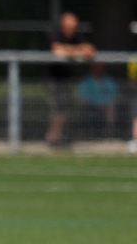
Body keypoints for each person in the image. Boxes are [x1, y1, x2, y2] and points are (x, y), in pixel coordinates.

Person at [46, 11, 96, 147]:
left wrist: (68, 51)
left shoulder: (77, 36)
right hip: (52, 78)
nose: (72, 29)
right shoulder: (55, 35)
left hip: (65, 78)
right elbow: (57, 51)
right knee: (58, 107)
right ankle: (53, 136)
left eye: (74, 27)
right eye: (69, 26)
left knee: (64, 106)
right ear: (62, 25)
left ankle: (55, 135)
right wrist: (76, 51)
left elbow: (89, 50)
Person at [77, 61, 118, 134]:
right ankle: (86, 132)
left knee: (111, 108)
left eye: (100, 67)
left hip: (106, 105)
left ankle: (109, 131)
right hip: (90, 105)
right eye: (96, 67)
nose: (98, 69)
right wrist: (96, 104)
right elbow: (83, 97)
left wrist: (104, 104)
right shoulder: (85, 81)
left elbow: (114, 95)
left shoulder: (109, 80)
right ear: (91, 68)